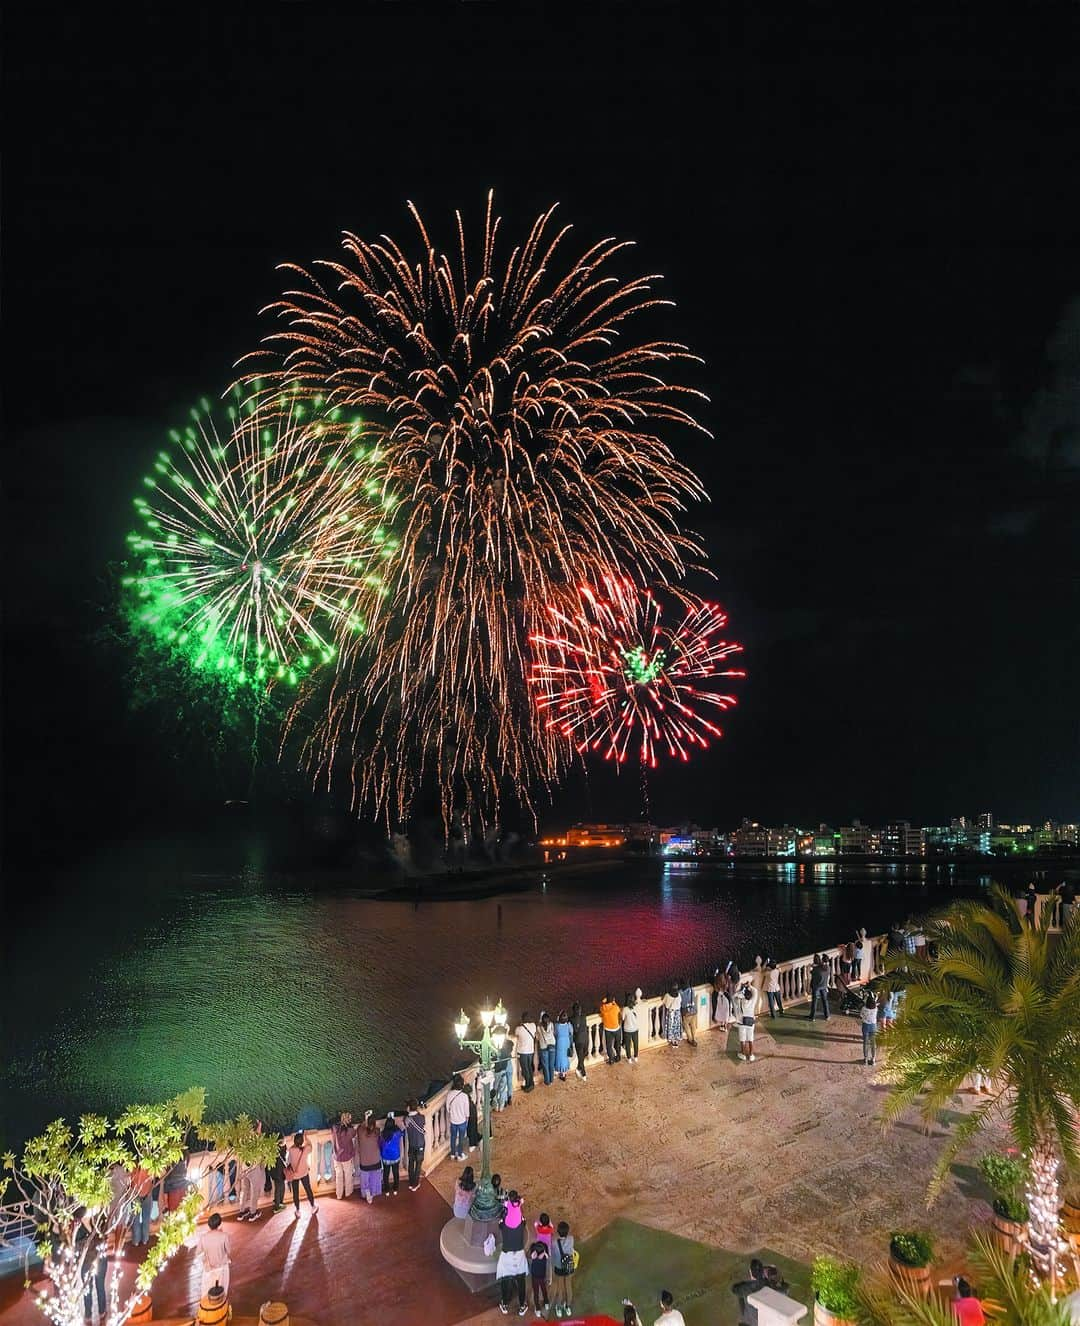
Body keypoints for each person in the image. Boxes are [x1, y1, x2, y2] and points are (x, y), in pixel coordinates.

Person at [497, 1189, 529, 1316]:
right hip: (519, 1254)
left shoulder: (504, 1224)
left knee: (506, 1280)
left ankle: (504, 1304)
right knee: (521, 1281)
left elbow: (501, 1223)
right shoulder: (521, 1222)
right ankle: (522, 1306)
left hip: (507, 1255)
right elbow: (518, 1206)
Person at [75, 1207, 107, 1322]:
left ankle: (102, 1310)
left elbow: (104, 1237)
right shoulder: (77, 1227)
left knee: (100, 1286)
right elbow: (78, 1245)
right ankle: (88, 1313)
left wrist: (94, 1225)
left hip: (100, 1260)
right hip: (86, 1263)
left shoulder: (98, 1221)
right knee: (87, 1289)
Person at [198, 1212, 231, 1299]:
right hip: (222, 1267)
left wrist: (206, 1262)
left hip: (209, 1268)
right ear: (219, 1224)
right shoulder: (224, 1236)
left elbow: (198, 1253)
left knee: (206, 1291)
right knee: (223, 1288)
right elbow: (229, 1251)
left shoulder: (203, 1237)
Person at [237, 1128, 267, 1221]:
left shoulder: (242, 1141)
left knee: (244, 1190)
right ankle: (253, 1212)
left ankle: (241, 1211)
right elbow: (260, 1142)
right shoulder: (255, 1144)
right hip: (254, 1169)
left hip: (244, 1169)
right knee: (255, 1191)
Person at [285, 1131, 318, 1216]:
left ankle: (298, 1210)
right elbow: (310, 1145)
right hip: (304, 1173)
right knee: (308, 1190)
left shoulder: (291, 1150)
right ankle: (313, 1206)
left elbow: (290, 1152)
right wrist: (306, 1137)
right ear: (302, 1141)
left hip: (294, 1176)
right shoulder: (305, 1149)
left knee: (295, 1193)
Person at [552, 1219, 576, 1319]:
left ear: (558, 1232)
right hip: (569, 1267)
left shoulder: (554, 1242)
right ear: (567, 1231)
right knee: (568, 1287)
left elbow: (553, 1255)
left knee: (560, 1289)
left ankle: (559, 1307)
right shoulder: (571, 1239)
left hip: (559, 1267)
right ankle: (567, 1306)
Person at [357, 1112, 382, 1204]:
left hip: (364, 1161)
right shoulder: (377, 1131)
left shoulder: (361, 1131)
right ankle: (372, 1193)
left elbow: (361, 1126)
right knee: (374, 1178)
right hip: (375, 1160)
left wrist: (365, 1118)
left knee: (365, 1179)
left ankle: (366, 1193)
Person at [331, 1110, 356, 1200]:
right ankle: (348, 1192)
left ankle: (339, 1194)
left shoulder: (335, 1128)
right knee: (348, 1175)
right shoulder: (349, 1130)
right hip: (347, 1156)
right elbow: (354, 1133)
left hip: (337, 1156)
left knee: (339, 1176)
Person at [447, 1073, 471, 1160]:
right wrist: (467, 1120)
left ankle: (453, 1154)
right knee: (461, 1138)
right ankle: (460, 1154)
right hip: (462, 1121)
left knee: (453, 1137)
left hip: (453, 1120)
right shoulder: (464, 1096)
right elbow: (467, 1112)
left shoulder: (449, 1094)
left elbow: (447, 1109)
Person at [129, 1165, 154, 1247]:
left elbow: (131, 1182)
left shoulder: (133, 1168)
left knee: (135, 1220)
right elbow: (152, 1181)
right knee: (146, 1219)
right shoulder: (149, 1167)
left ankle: (136, 1241)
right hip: (147, 1194)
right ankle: (145, 1240)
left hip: (136, 1195)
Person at [380, 1112, 404, 1195]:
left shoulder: (382, 1134)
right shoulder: (397, 1133)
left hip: (385, 1157)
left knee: (386, 1174)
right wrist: (397, 1126)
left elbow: (380, 1144)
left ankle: (386, 1190)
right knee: (395, 1173)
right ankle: (395, 1189)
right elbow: (403, 1133)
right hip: (395, 1156)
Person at [405, 1099, 426, 1191]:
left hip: (412, 1145)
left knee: (411, 1164)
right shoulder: (421, 1117)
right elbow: (423, 1124)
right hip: (420, 1144)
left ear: (409, 1108)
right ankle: (415, 1184)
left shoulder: (406, 1119)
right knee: (418, 1165)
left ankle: (411, 1183)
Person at [733, 981, 757, 1061]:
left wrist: (740, 989)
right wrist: (750, 986)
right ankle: (751, 1055)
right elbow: (755, 991)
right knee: (751, 1038)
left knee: (742, 1039)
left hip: (742, 1022)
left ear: (744, 995)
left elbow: (734, 996)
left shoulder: (740, 1001)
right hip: (750, 1022)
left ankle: (743, 1054)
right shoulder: (753, 1001)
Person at [515, 1013, 538, 1092]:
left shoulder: (519, 1029)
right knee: (529, 1067)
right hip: (531, 1051)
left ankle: (528, 1085)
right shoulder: (533, 1025)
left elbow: (516, 1033)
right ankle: (531, 1083)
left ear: (522, 1019)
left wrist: (520, 1024)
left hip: (523, 1052)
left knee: (525, 1069)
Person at [528, 1236, 551, 1316]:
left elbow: (546, 1256)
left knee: (540, 1291)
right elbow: (546, 1255)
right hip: (538, 1277)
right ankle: (542, 1305)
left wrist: (543, 1253)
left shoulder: (538, 1257)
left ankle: (542, 1305)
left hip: (538, 1277)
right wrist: (543, 1253)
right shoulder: (540, 1257)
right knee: (540, 1291)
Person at [570, 1001, 590, 1082]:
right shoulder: (583, 1016)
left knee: (580, 1057)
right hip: (586, 1038)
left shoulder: (571, 1019)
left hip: (579, 1040)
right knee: (583, 1056)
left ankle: (583, 1073)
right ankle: (579, 1068)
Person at [600, 993, 621, 1063]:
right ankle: (618, 1056)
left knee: (609, 1046)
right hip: (616, 1028)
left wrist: (603, 1002)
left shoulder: (603, 1008)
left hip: (608, 1029)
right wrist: (614, 1002)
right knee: (618, 1043)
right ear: (612, 1001)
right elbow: (618, 1009)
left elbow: (601, 1008)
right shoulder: (615, 1007)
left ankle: (611, 1059)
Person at [268, 1134, 287, 1212]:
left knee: (278, 1187)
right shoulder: (283, 1148)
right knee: (279, 1188)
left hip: (274, 1172)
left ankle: (278, 1201)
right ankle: (277, 1206)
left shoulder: (272, 1148)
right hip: (280, 1172)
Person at [537, 1013, 557, 1085]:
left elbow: (537, 1037)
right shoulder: (551, 1024)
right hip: (552, 1045)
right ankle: (551, 1080)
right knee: (551, 1064)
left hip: (543, 1047)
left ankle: (547, 1082)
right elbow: (553, 1033)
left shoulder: (539, 1027)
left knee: (545, 1065)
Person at [860, 991, 879, 1066]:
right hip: (873, 1026)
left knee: (865, 1042)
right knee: (873, 1043)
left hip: (865, 1026)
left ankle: (865, 1059)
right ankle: (873, 1059)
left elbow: (861, 1015)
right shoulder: (876, 1008)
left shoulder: (864, 1008)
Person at [809, 955, 830, 1021]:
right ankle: (827, 1016)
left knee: (814, 1002)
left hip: (816, 987)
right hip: (824, 986)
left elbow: (811, 973)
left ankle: (812, 1017)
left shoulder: (816, 969)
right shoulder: (828, 968)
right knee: (825, 1001)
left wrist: (811, 967)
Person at [621, 991, 640, 1064]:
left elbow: (622, 1018)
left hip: (627, 1030)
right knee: (635, 1043)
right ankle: (635, 1057)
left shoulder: (625, 1009)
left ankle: (629, 1058)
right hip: (635, 1029)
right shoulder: (636, 1007)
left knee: (628, 1044)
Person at [554, 1011, 572, 1082]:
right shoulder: (568, 1025)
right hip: (566, 1042)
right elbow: (571, 1032)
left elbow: (555, 1033)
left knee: (559, 1057)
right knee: (565, 1057)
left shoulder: (557, 1026)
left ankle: (559, 1071)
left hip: (559, 1043)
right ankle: (564, 1074)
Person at [662, 982, 683, 1047]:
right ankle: (676, 1039)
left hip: (671, 1013)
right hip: (677, 1013)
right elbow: (680, 1002)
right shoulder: (679, 995)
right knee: (676, 1026)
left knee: (670, 1026)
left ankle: (671, 1039)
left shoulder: (667, 995)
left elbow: (666, 1004)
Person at [680, 977, 698, 1046]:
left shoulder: (681, 993)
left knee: (686, 1025)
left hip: (686, 1012)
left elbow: (682, 1004)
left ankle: (690, 1039)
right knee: (693, 1025)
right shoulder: (692, 990)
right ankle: (694, 1039)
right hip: (694, 1010)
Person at [466, 1083, 481, 1152]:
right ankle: (478, 1138)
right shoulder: (468, 1099)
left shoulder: (466, 1099)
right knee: (472, 1128)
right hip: (472, 1113)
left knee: (471, 1129)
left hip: (471, 1114)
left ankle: (473, 1143)